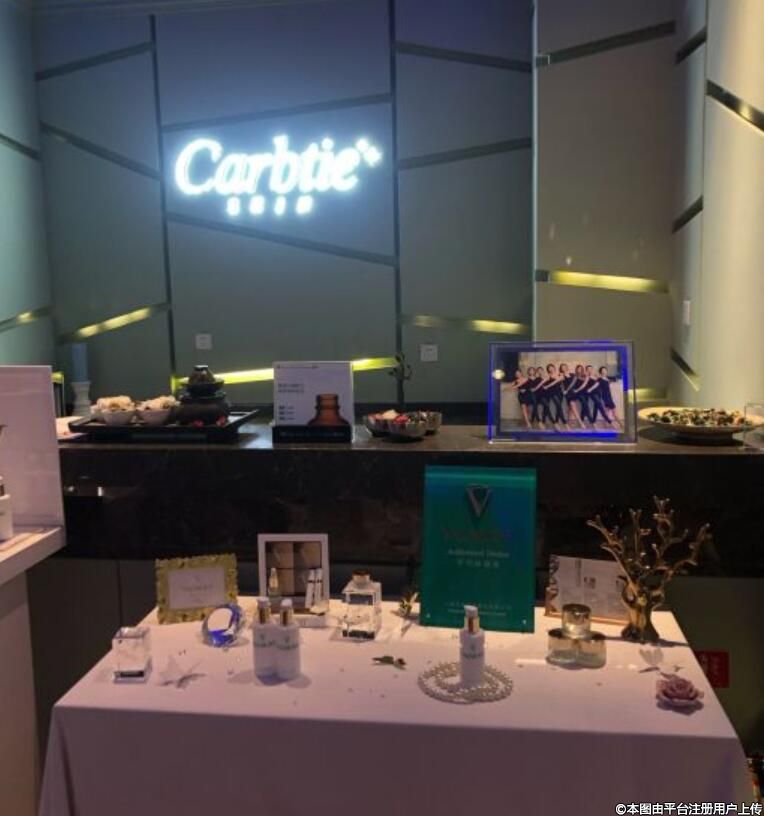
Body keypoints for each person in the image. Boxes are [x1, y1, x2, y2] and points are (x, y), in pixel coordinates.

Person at [540, 363, 566, 429]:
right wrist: (544, 385)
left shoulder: (560, 374)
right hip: (550, 392)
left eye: (551, 367)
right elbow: (543, 382)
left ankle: (556, 422)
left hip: (559, 392)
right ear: (548, 370)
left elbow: (560, 379)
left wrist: (549, 383)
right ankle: (563, 423)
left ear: (554, 367)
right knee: (553, 406)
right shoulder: (548, 375)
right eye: (549, 368)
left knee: (558, 407)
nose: (550, 369)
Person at [560, 362, 582, 428]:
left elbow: (573, 383)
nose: (564, 368)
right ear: (561, 369)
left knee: (572, 407)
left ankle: (578, 422)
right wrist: (564, 391)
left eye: (565, 367)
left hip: (572, 392)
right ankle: (572, 422)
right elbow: (560, 384)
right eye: (562, 367)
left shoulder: (572, 374)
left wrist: (567, 390)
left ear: (567, 367)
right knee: (571, 407)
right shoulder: (561, 375)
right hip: (567, 393)